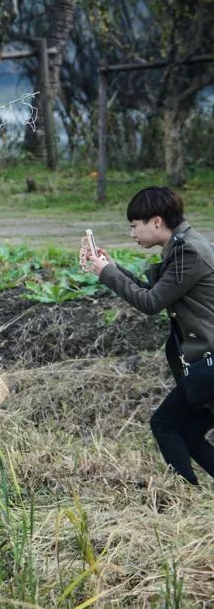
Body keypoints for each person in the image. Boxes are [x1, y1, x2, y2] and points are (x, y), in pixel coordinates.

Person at [85, 187, 214, 486]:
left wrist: (107, 273)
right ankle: (187, 493)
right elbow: (154, 291)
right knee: (189, 433)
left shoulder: (188, 252)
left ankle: (182, 495)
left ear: (156, 222)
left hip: (209, 362)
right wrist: (111, 268)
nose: (132, 232)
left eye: (134, 225)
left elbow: (151, 303)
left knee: (165, 424)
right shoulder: (184, 245)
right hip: (205, 362)